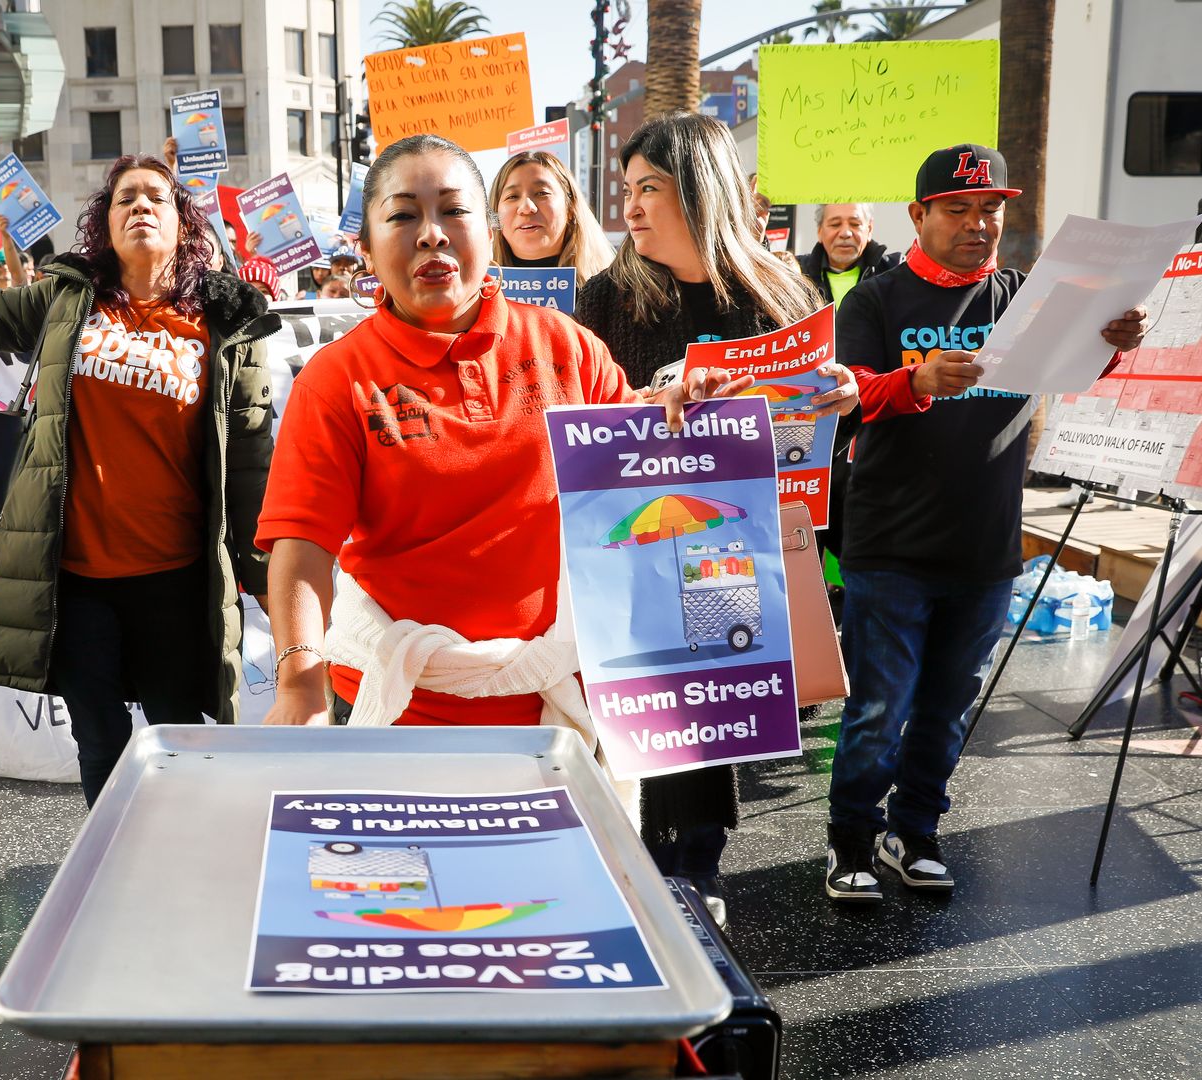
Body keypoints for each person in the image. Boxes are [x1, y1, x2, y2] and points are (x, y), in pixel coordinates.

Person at [258, 135, 762, 927]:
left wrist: (707, 406)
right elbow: (300, 545)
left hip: (548, 720)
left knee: (541, 928)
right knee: (408, 930)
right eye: (404, 216)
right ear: (365, 247)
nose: (431, 234)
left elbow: (628, 450)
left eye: (453, 211)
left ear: (486, 235)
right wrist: (297, 683)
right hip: (407, 714)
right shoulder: (336, 379)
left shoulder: (565, 345)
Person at [0, 157, 278, 805]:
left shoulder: (223, 321)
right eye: (124, 199)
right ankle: (112, 867)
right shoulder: (67, 298)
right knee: (101, 739)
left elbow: (250, 461)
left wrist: (276, 588)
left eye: (155, 198)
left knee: (179, 736)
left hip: (176, 579)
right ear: (103, 225)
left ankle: (177, 860)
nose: (140, 206)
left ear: (183, 222)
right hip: (78, 580)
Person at [823, 145, 1148, 902]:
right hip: (889, 547)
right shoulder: (873, 301)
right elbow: (846, 394)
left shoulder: (1027, 295)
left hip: (987, 547)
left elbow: (1070, 368)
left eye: (991, 209)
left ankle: (918, 834)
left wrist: (1112, 348)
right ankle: (851, 845)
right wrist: (917, 380)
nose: (979, 224)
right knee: (877, 709)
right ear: (919, 215)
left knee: (947, 708)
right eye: (959, 208)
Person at [574, 114, 859, 893]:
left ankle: (697, 878)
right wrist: (651, 400)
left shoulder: (784, 293)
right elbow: (574, 422)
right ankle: (642, 879)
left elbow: (816, 427)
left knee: (715, 724)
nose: (631, 207)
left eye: (651, 188)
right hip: (633, 548)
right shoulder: (605, 301)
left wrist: (845, 395)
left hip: (738, 545)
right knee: (643, 720)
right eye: (627, 189)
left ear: (702, 191)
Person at [797, 203, 903, 585]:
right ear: (820, 231)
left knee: (857, 515)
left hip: (870, 419)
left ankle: (846, 590)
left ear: (870, 227)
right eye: (835, 223)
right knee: (815, 511)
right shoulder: (796, 276)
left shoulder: (893, 274)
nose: (845, 232)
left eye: (855, 223)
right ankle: (818, 591)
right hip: (814, 420)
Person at [489, 151, 613, 280]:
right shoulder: (474, 293)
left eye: (542, 193)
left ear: (571, 207)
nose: (526, 208)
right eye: (512, 196)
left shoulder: (613, 290)